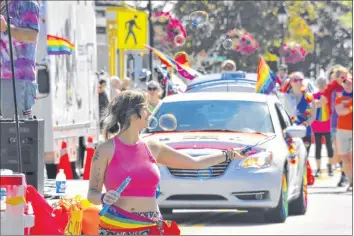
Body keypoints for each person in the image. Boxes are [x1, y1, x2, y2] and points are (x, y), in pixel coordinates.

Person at [87, 90, 244, 235]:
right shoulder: (105, 149)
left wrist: (228, 155)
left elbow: (195, 162)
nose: (149, 113)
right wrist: (103, 197)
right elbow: (91, 193)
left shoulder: (153, 147)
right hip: (117, 225)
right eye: (145, 109)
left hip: (152, 225)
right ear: (132, 114)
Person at [0, 0, 40, 119]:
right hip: (5, 80)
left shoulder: (27, 3)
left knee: (12, 133)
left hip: (16, 81)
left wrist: (6, 27)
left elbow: (32, 35)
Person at [320, 65, 348, 186]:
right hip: (335, 123)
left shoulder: (349, 87)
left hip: (349, 123)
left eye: (344, 75)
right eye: (339, 75)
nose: (342, 78)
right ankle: (344, 175)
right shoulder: (331, 88)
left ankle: (345, 175)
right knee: (339, 151)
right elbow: (322, 101)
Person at [287, 72, 316, 156]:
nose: (299, 82)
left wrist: (303, 125)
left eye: (301, 80)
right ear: (290, 82)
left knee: (304, 159)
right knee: (292, 159)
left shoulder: (309, 96)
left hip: (305, 133)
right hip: (289, 134)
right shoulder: (286, 97)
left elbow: (312, 116)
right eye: (295, 80)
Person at [311, 77, 334, 177]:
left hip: (328, 125)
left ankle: (330, 167)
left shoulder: (329, 96)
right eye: (320, 85)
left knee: (329, 147)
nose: (322, 87)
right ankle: (318, 169)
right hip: (317, 126)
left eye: (323, 85)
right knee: (318, 148)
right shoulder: (314, 96)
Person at [335, 75, 353, 191]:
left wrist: (348, 107)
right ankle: (350, 181)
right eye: (345, 83)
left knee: (352, 156)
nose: (348, 85)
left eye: (350, 83)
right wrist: (351, 108)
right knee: (344, 157)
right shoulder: (339, 98)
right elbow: (340, 111)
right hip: (342, 130)